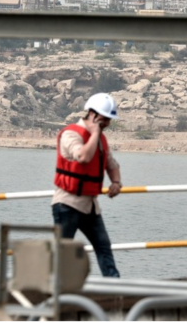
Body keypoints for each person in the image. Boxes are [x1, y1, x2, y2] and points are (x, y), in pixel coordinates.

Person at [51, 92, 123, 277]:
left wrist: (116, 182)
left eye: (109, 119)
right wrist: (95, 133)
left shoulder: (101, 139)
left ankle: (115, 286)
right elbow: (83, 157)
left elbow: (112, 164)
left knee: (103, 247)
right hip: (67, 204)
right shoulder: (70, 134)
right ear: (92, 114)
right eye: (105, 119)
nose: (108, 123)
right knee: (62, 252)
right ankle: (53, 288)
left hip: (90, 206)